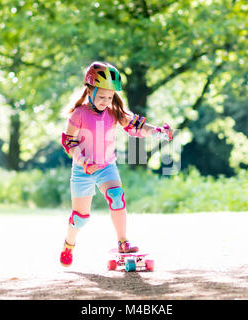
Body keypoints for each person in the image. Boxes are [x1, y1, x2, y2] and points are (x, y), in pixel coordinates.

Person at [60, 61, 173, 267]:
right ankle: (69, 245)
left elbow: (136, 127)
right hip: (82, 170)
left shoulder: (114, 112)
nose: (105, 101)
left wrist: (158, 131)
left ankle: (123, 242)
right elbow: (69, 143)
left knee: (116, 197)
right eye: (101, 96)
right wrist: (84, 162)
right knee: (80, 218)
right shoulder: (79, 114)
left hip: (106, 167)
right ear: (90, 91)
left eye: (110, 97)